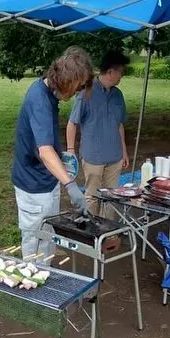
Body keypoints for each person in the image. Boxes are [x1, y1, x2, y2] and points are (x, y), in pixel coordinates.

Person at [12, 46, 95, 263]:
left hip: (47, 180)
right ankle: (32, 281)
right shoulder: (39, 100)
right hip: (33, 184)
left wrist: (64, 162)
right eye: (78, 87)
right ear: (66, 81)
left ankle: (44, 273)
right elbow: (45, 150)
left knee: (48, 233)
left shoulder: (49, 93)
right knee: (35, 238)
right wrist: (71, 185)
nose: (78, 91)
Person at [66, 49, 129, 219]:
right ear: (111, 72)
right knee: (92, 197)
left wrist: (123, 151)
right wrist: (71, 150)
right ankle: (91, 233)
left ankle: (108, 232)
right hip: (93, 156)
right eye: (121, 72)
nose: (121, 76)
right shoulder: (86, 93)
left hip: (114, 157)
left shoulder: (117, 95)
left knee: (112, 197)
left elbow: (119, 125)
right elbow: (72, 123)